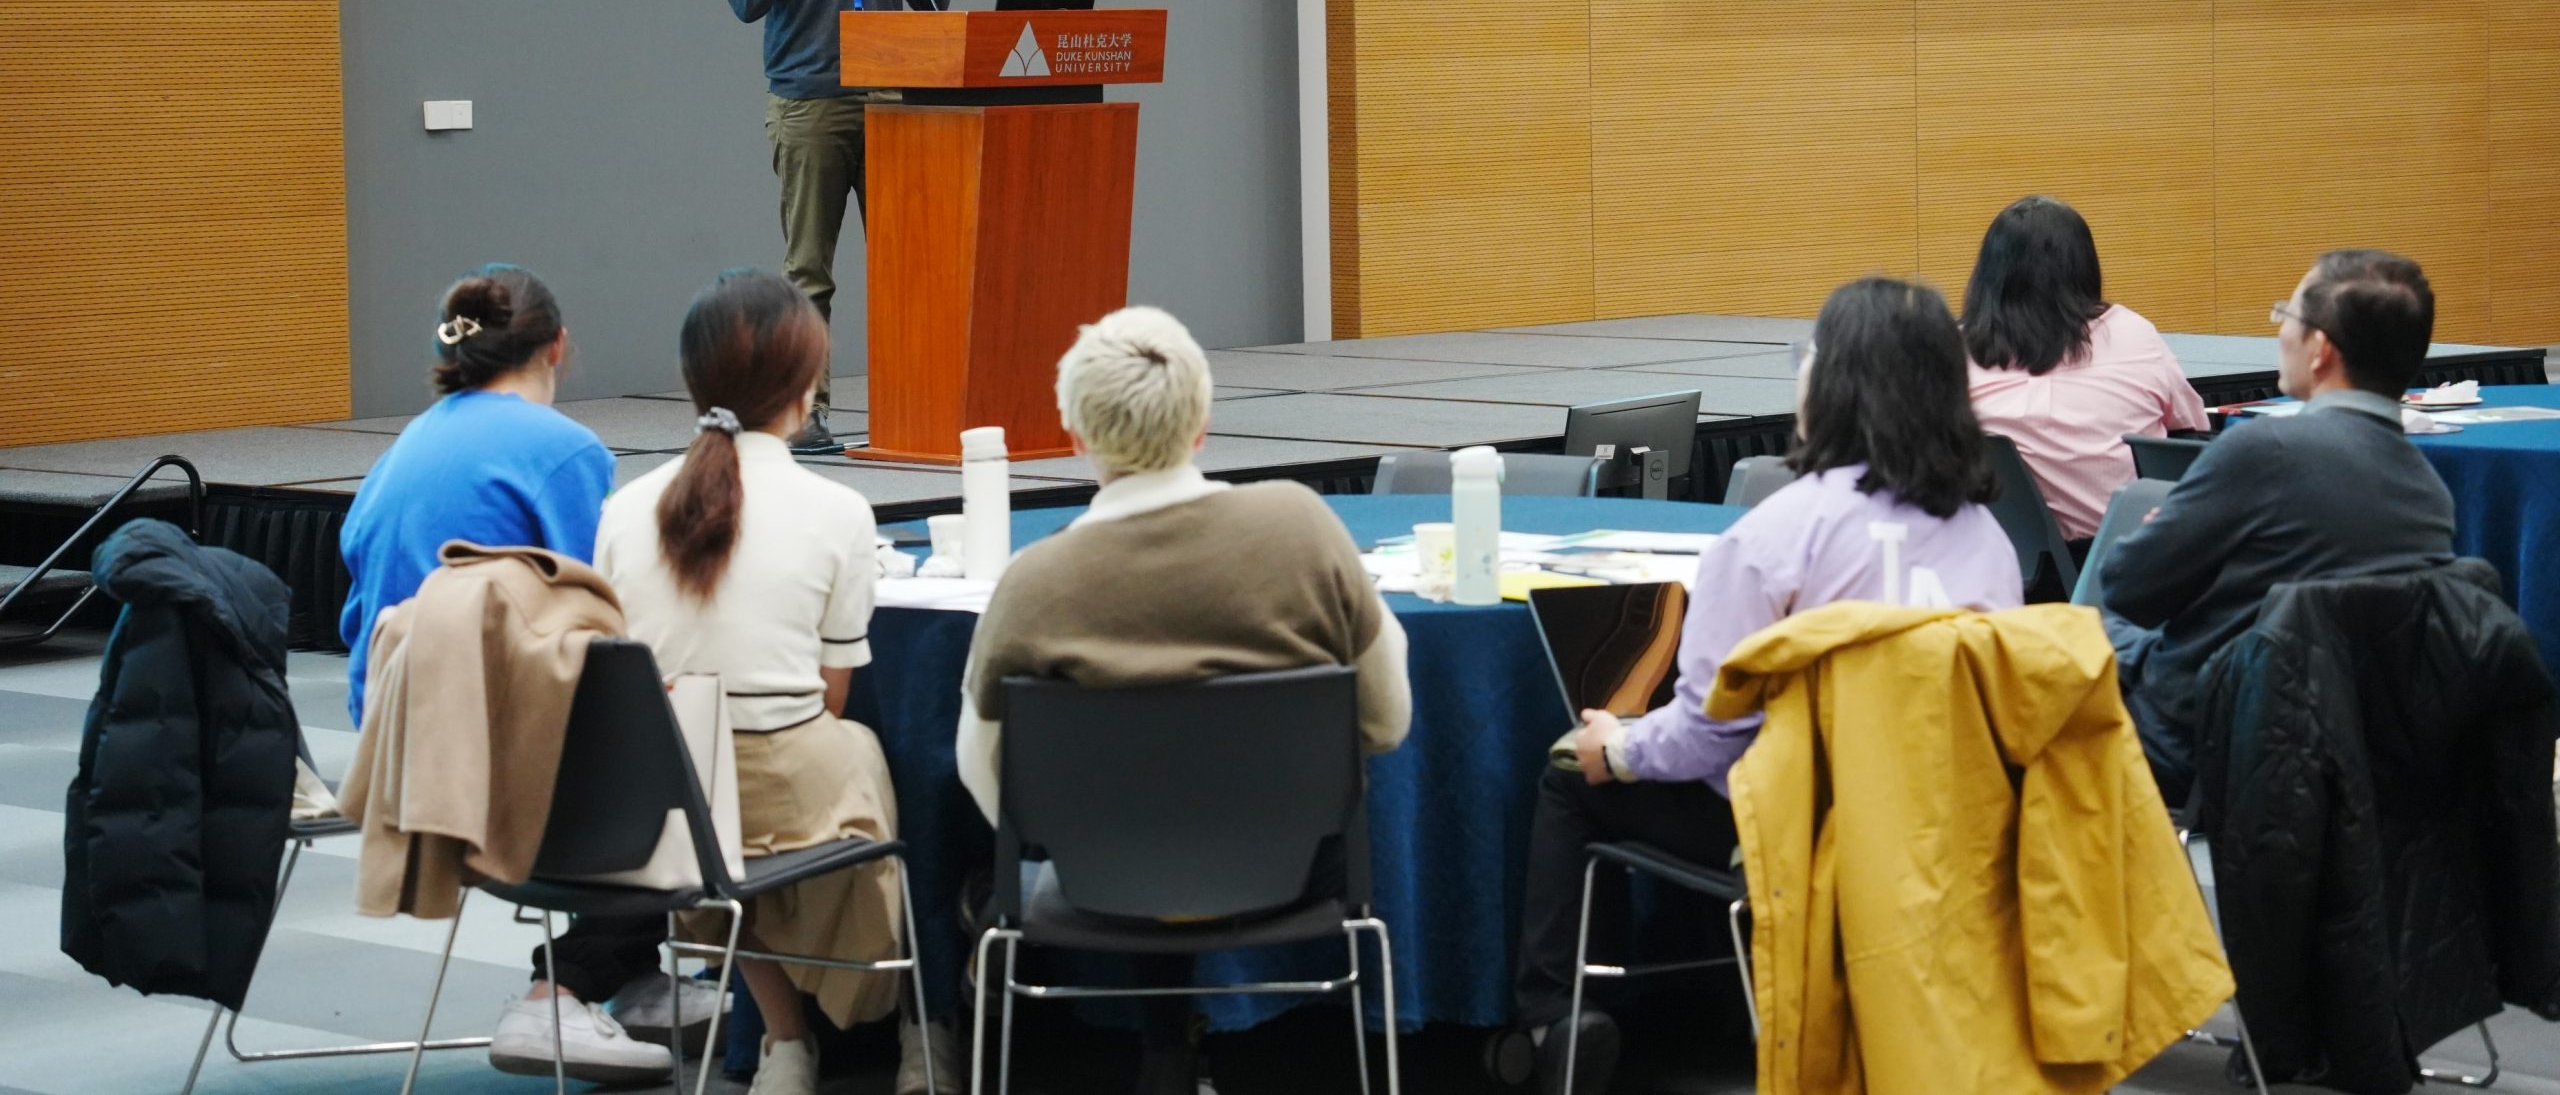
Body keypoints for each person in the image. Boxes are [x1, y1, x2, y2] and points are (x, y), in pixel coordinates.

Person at [1516, 277, 2023, 1095]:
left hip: (1800, 830)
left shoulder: (1767, 539)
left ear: (1831, 385)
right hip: (1952, 830)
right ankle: (1715, 994)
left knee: (1572, 772)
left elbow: (1706, 732)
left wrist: (1619, 746)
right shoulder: (1989, 540)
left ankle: (1555, 1023)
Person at [956, 307, 1412, 1095]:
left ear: (1074, 434)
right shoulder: (1303, 526)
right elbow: (1387, 719)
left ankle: (1159, 1046)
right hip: (1296, 870)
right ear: (1201, 424)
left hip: (1102, 878)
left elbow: (983, 773)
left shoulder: (1033, 581)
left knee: (1070, 839)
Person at [337, 266, 699, 1083]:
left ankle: (630, 974)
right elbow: (597, 611)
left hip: (389, 738)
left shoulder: (404, 445)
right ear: (559, 347)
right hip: (486, 746)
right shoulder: (562, 446)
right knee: (667, 724)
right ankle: (559, 989)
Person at [596, 270, 933, 1095]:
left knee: (718, 824)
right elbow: (830, 697)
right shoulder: (838, 510)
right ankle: (925, 1030)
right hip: (783, 788)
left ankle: (787, 1041)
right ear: (807, 381)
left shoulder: (622, 509)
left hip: (658, 815)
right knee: (903, 759)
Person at [2100, 248, 2457, 805]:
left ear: (2320, 348)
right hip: (2337, 756)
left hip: (2191, 735)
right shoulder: (2432, 497)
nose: (2280, 333)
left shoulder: (2261, 450)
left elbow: (2126, 588)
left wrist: (2171, 532)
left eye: (2284, 316)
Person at [726, 0, 951, 455]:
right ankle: (805, 411)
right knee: (809, 271)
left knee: (906, 263)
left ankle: (917, 404)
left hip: (887, 102)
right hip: (811, 103)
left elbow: (933, 7)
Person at [1961, 196, 2209, 538]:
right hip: (2126, 562)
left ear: (1988, 274)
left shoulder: (1952, 354)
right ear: (2085, 267)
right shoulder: (2133, 334)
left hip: (2008, 568)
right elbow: (2189, 432)